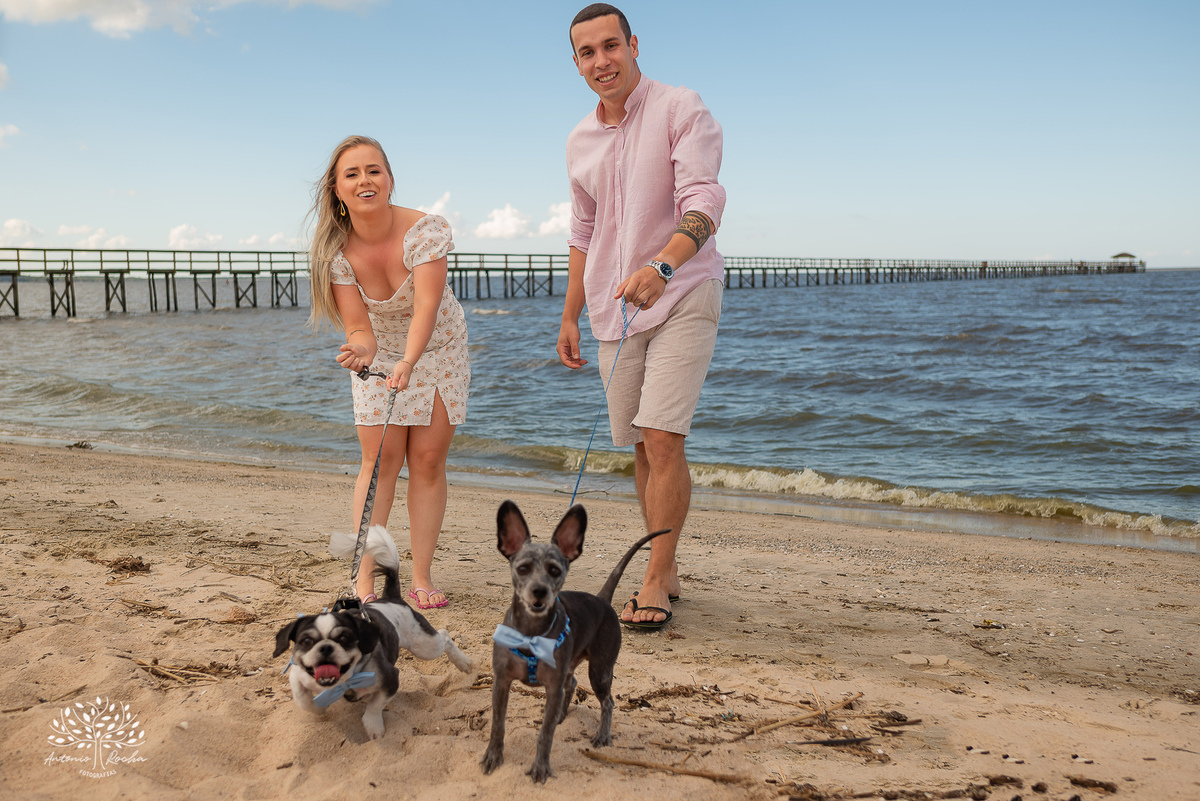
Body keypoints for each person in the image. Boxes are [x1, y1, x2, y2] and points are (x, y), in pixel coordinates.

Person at [558, 4, 726, 629]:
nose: (601, 61)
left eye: (610, 46)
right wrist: (571, 312)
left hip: (683, 290)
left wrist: (662, 267)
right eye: (587, 53)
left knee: (663, 434)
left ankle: (654, 576)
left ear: (633, 45)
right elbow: (583, 229)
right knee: (637, 444)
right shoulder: (578, 141)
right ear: (576, 64)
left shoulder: (682, 107)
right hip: (612, 305)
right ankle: (668, 558)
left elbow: (705, 201)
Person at [308, 135, 469, 610]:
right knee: (380, 463)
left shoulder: (426, 230)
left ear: (390, 180)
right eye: (352, 174)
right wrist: (360, 351)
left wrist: (408, 361)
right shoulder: (336, 252)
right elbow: (360, 326)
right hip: (381, 354)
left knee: (426, 460)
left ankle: (420, 575)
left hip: (438, 345)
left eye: (374, 170)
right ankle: (363, 578)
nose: (365, 180)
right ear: (337, 190)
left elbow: (426, 305)